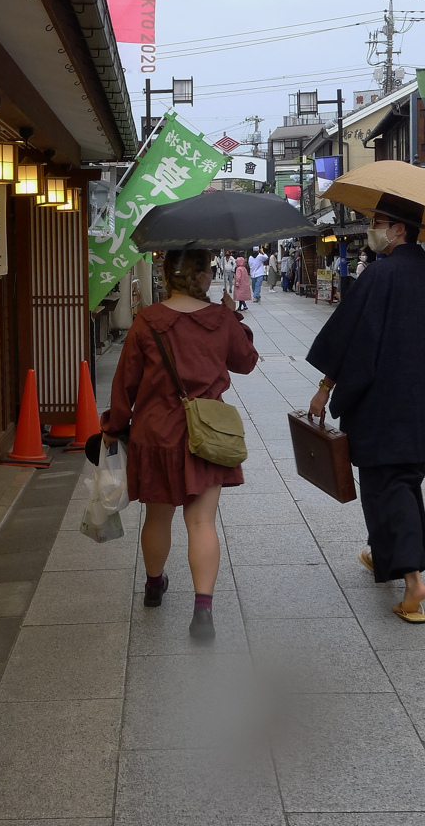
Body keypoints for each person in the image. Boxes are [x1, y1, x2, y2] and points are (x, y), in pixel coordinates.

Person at [307, 195, 425, 623]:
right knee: (405, 481)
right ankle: (383, 554)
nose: (372, 229)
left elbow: (350, 339)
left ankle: (413, 581)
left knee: (386, 487)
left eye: (377, 223)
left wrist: (326, 388)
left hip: (380, 405)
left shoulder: (380, 277)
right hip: (422, 403)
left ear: (398, 230)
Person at [101, 250, 258, 640]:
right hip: (206, 434)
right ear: (204, 275)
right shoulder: (220, 319)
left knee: (158, 518)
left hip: (155, 434)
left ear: (166, 274)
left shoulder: (147, 321)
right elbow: (246, 361)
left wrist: (114, 426)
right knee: (202, 522)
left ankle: (154, 586)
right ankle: (202, 611)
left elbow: (126, 383)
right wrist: (232, 315)